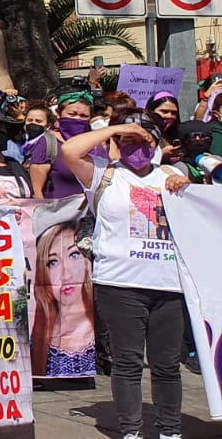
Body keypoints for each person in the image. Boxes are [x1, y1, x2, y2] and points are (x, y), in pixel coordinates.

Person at [61, 111, 189, 439]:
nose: (136, 148)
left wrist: (183, 183)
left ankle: (170, 432)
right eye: (127, 141)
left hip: (168, 285)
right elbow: (70, 151)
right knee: (128, 363)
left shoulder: (170, 174)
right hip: (119, 284)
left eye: (143, 141)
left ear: (156, 143)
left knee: (167, 366)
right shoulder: (103, 174)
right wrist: (119, 128)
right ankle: (131, 431)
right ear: (116, 144)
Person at [30, 220, 95, 378]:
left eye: (74, 255)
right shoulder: (34, 343)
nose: (65, 274)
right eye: (53, 262)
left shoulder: (107, 330)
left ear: (87, 262)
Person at [21, 101, 60, 195]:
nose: (33, 123)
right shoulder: (22, 141)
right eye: (29, 120)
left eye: (38, 121)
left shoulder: (48, 143)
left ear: (48, 126)